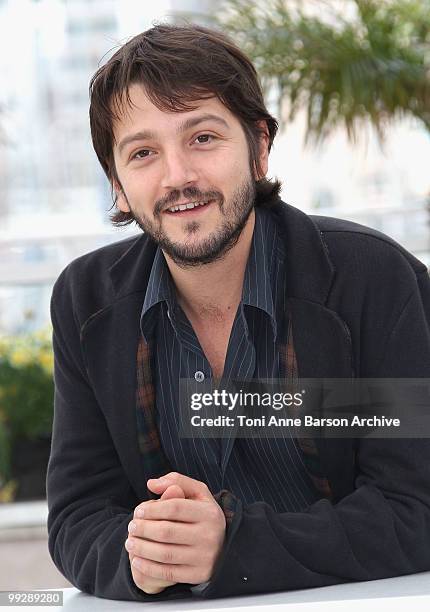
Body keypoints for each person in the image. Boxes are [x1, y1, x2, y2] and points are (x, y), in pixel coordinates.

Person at [46, 23, 430, 602]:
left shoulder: (372, 279)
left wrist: (233, 547)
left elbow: (416, 506)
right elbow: (79, 513)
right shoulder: (86, 301)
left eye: (203, 137)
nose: (178, 177)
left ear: (259, 147)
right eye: (143, 152)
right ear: (117, 184)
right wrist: (142, 557)